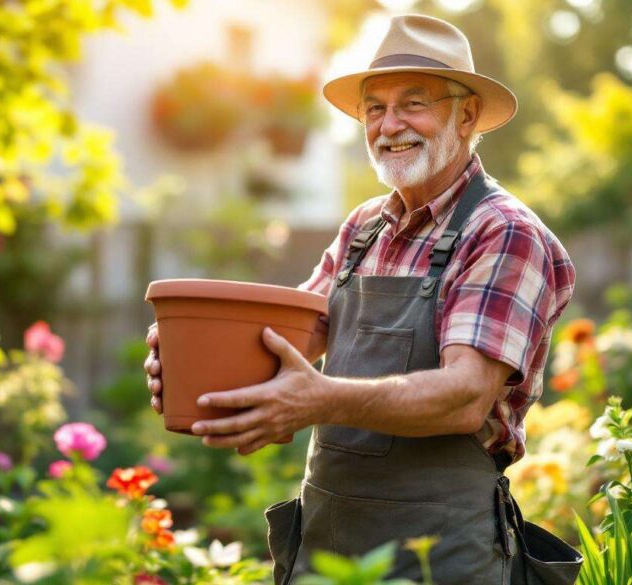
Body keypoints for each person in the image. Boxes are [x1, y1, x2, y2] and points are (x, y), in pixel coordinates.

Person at [144, 14, 582, 585]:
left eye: (413, 103)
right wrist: (194, 364)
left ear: (466, 115)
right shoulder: (363, 228)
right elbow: (282, 339)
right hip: (328, 544)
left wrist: (317, 399)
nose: (389, 124)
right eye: (375, 108)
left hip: (439, 554)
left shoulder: (502, 232)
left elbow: (465, 396)